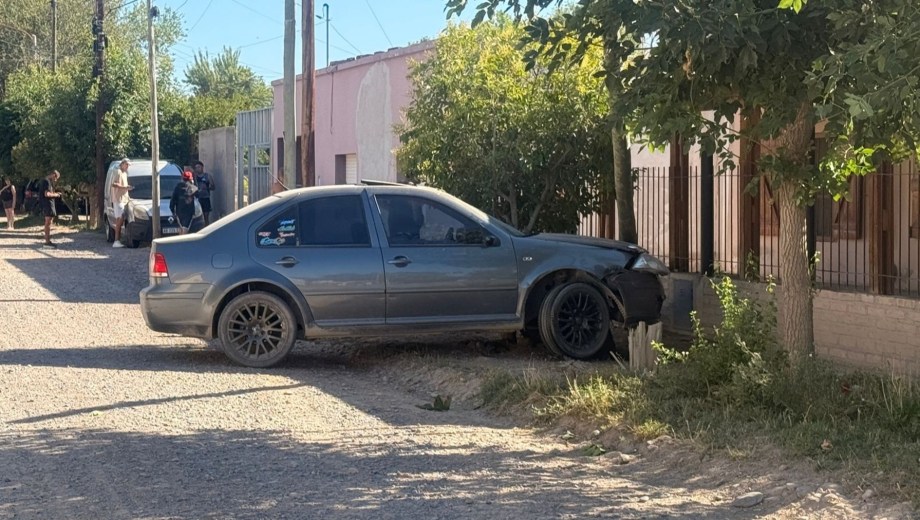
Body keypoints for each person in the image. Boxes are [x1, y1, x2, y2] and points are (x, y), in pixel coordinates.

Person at [111, 158, 133, 248]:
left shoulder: (124, 173)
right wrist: (125, 187)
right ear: (123, 164)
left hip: (124, 199)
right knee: (120, 219)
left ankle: (118, 239)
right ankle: (116, 240)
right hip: (118, 199)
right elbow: (114, 184)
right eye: (126, 165)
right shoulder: (118, 172)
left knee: (120, 219)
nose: (127, 167)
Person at [37, 170, 61, 247]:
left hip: (48, 204)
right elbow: (47, 194)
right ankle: (47, 241)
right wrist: (56, 195)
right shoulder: (46, 182)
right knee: (48, 222)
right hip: (47, 204)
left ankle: (48, 240)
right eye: (56, 178)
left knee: (49, 222)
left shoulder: (46, 181)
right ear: (53, 175)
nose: (56, 180)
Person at [170, 170, 199, 234]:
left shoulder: (177, 188)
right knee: (186, 229)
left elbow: (172, 201)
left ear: (182, 178)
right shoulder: (193, 188)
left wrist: (173, 211)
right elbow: (198, 196)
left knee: (181, 229)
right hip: (190, 213)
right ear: (191, 180)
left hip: (179, 212)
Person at [192, 160, 215, 225]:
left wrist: (207, 188)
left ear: (202, 167)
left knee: (206, 216)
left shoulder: (207, 176)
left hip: (206, 198)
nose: (197, 169)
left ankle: (206, 228)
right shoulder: (194, 177)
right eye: (196, 167)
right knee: (198, 216)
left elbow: (213, 187)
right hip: (197, 199)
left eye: (199, 167)